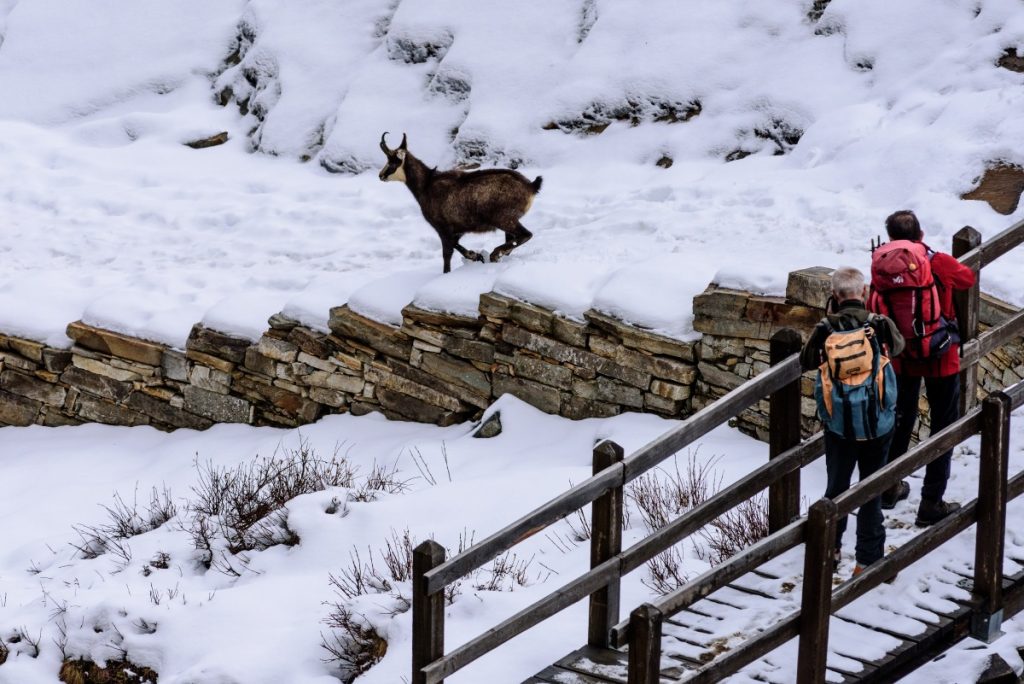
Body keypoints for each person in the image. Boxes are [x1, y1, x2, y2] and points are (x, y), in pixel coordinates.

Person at [868, 210, 976, 527]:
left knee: (900, 419)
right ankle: (931, 503)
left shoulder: (882, 264)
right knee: (942, 426)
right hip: (941, 354)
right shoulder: (935, 261)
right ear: (921, 234)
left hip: (902, 355)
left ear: (889, 237)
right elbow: (967, 278)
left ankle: (889, 487)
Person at [801, 267, 905, 574]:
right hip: (877, 425)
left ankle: (828, 553)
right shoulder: (878, 323)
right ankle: (867, 561)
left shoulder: (825, 327)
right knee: (871, 490)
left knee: (836, 488)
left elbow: (805, 361)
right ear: (865, 292)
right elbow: (898, 348)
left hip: (839, 426)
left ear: (834, 296)